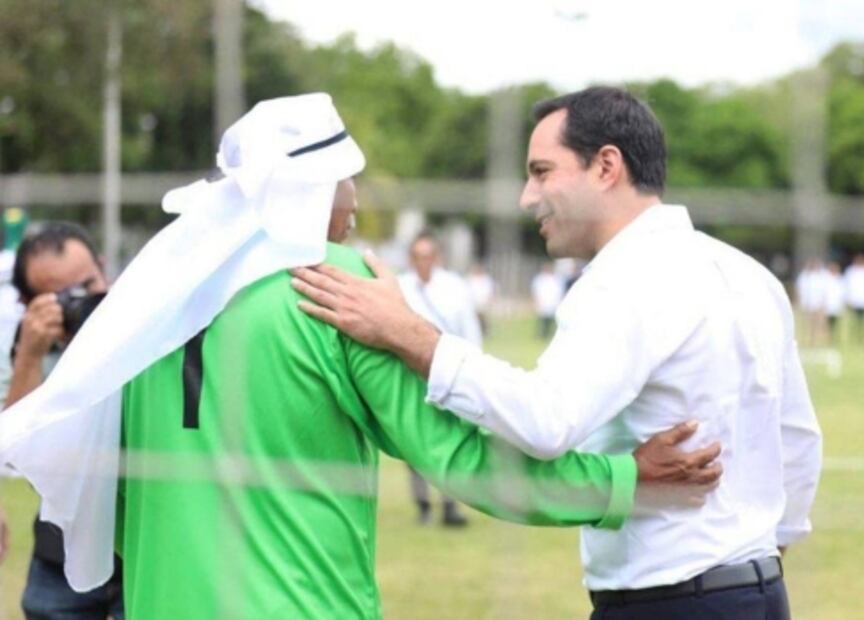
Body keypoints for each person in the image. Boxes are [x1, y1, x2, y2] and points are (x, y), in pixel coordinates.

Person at [60, 94, 717, 618]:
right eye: (349, 184)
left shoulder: (150, 300)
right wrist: (623, 481)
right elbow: (465, 461)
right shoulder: (336, 287)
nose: (353, 207)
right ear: (316, 188)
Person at [293, 86, 823, 619]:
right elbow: (797, 441)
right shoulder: (748, 275)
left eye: (542, 171)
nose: (527, 197)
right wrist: (758, 559)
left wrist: (412, 337)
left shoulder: (624, 279)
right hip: (760, 593)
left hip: (669, 601)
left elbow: (546, 421)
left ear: (606, 166)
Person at [4, 223, 123, 620]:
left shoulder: (140, 324)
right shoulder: (32, 348)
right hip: (61, 546)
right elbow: (16, 453)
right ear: (26, 302)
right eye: (60, 297)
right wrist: (30, 356)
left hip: (137, 542)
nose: (80, 304)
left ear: (104, 269)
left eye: (87, 285)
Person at [398, 231, 482, 526]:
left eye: (428, 256)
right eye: (417, 257)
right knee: (412, 442)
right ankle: (422, 505)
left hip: (448, 374)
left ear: (437, 257)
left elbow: (470, 331)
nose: (423, 262)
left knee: (451, 442)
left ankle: (450, 506)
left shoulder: (454, 288)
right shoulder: (400, 287)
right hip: (411, 376)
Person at [795, 258, 828, 347]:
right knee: (806, 324)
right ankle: (804, 342)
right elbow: (799, 290)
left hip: (817, 304)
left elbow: (824, 292)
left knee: (816, 325)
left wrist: (823, 304)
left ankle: (814, 342)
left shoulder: (821, 276)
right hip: (806, 304)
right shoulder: (804, 276)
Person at [530, 261, 564, 339]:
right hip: (543, 302)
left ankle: (551, 335)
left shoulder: (557, 278)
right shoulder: (540, 279)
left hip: (554, 302)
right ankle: (541, 334)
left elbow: (560, 290)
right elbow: (536, 290)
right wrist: (537, 300)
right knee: (542, 320)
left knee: (553, 320)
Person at [466, 262, 495, 335]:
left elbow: (490, 290)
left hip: (484, 301)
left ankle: (486, 332)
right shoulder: (470, 279)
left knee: (484, 319)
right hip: (474, 302)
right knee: (475, 319)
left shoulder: (486, 279)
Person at [823, 261, 845, 345]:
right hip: (828, 305)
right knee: (828, 324)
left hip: (837, 305)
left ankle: (836, 338)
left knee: (837, 323)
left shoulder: (840, 279)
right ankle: (829, 339)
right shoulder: (826, 279)